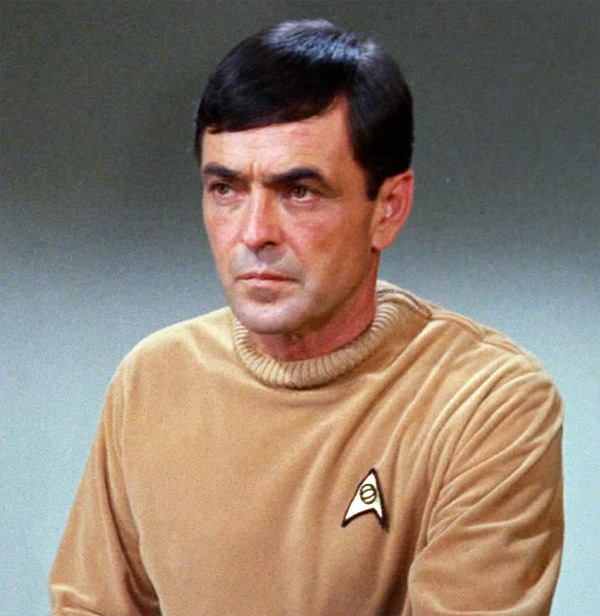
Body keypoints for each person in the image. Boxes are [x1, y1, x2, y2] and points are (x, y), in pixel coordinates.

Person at [49, 19, 564, 616]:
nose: (254, 233)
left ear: (389, 209)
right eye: (226, 189)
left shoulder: (488, 403)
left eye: (299, 192)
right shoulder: (153, 378)